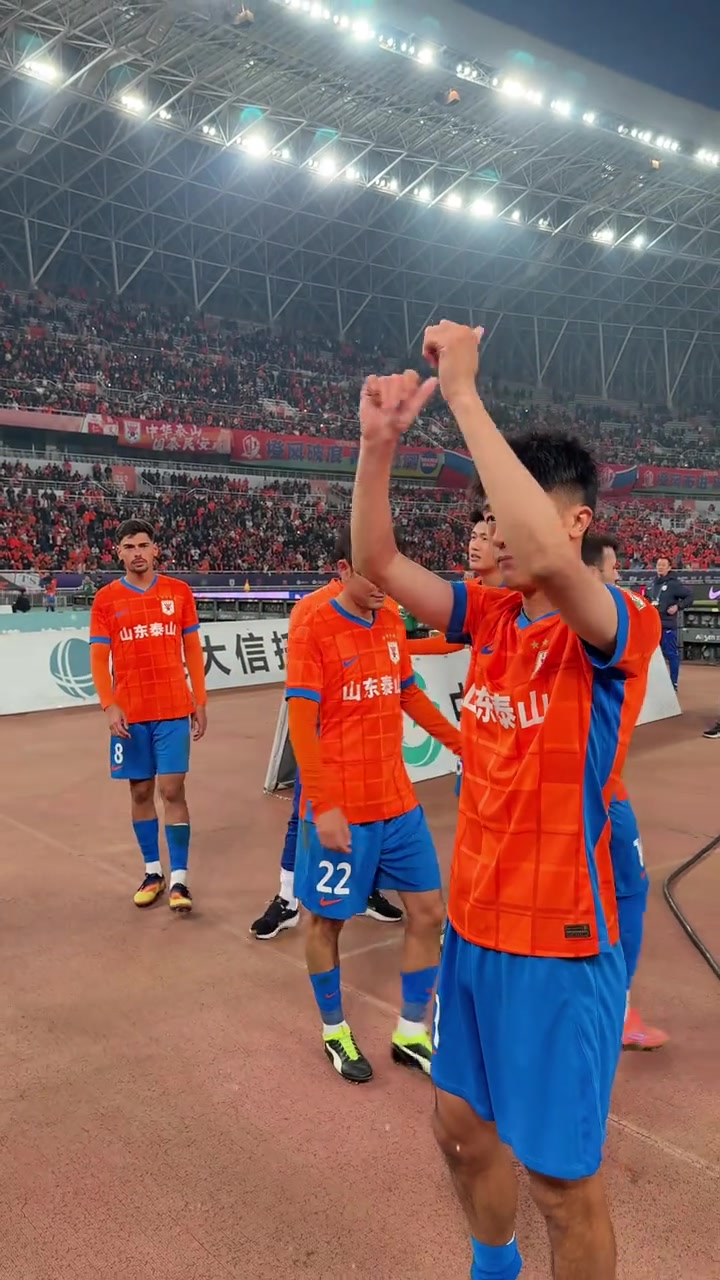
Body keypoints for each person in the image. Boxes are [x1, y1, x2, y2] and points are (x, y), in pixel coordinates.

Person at [350, 324, 660, 1280]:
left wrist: (465, 396)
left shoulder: (615, 628)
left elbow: (555, 567)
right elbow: (378, 563)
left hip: (559, 945)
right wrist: (376, 448)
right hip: (475, 930)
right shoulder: (488, 618)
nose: (496, 531)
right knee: (457, 1129)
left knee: (563, 1186)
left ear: (574, 525)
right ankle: (496, 1269)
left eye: (514, 510)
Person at [286, 525, 460, 1083]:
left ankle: (410, 1032)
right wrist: (323, 804)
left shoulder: (390, 619)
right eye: (371, 572)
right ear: (342, 569)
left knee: (430, 913)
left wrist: (462, 744)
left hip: (397, 802)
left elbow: (407, 692)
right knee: (326, 922)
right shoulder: (312, 626)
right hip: (342, 809)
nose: (384, 584)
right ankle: (334, 1029)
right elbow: (301, 724)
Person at [250, 571, 404, 939]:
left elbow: (399, 659)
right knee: (304, 816)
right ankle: (288, 899)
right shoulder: (310, 609)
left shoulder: (387, 605)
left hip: (373, 742)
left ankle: (366, 890)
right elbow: (301, 680)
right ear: (345, 567)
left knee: (375, 817)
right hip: (327, 738)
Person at [89, 518, 208, 913]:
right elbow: (99, 658)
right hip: (131, 713)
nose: (137, 553)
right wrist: (109, 704)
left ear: (156, 549)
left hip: (173, 708)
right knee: (140, 791)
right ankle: (152, 872)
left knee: (172, 790)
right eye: (129, 546)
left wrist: (200, 700)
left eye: (143, 545)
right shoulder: (106, 599)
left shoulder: (179, 592)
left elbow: (192, 649)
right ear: (118, 553)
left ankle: (180, 880)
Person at [581, 534, 669, 1051]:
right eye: (613, 568)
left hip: (600, 788)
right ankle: (613, 1008)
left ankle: (613, 1006)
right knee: (625, 892)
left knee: (622, 892)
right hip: (596, 792)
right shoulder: (623, 616)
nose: (620, 576)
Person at [647, 556, 692, 691]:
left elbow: (689, 596)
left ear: (669, 568)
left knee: (671, 654)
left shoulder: (674, 584)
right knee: (651, 656)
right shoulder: (651, 584)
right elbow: (645, 600)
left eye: (663, 565)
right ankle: (653, 684)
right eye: (658, 565)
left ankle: (673, 683)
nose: (660, 567)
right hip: (652, 626)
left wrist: (678, 606)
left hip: (667, 625)